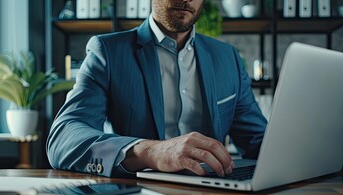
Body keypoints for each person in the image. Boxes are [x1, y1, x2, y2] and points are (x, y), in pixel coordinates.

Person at [46, 0, 267, 178]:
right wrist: (151, 152)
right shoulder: (108, 52)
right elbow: (63, 138)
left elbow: (258, 141)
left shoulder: (227, 58)